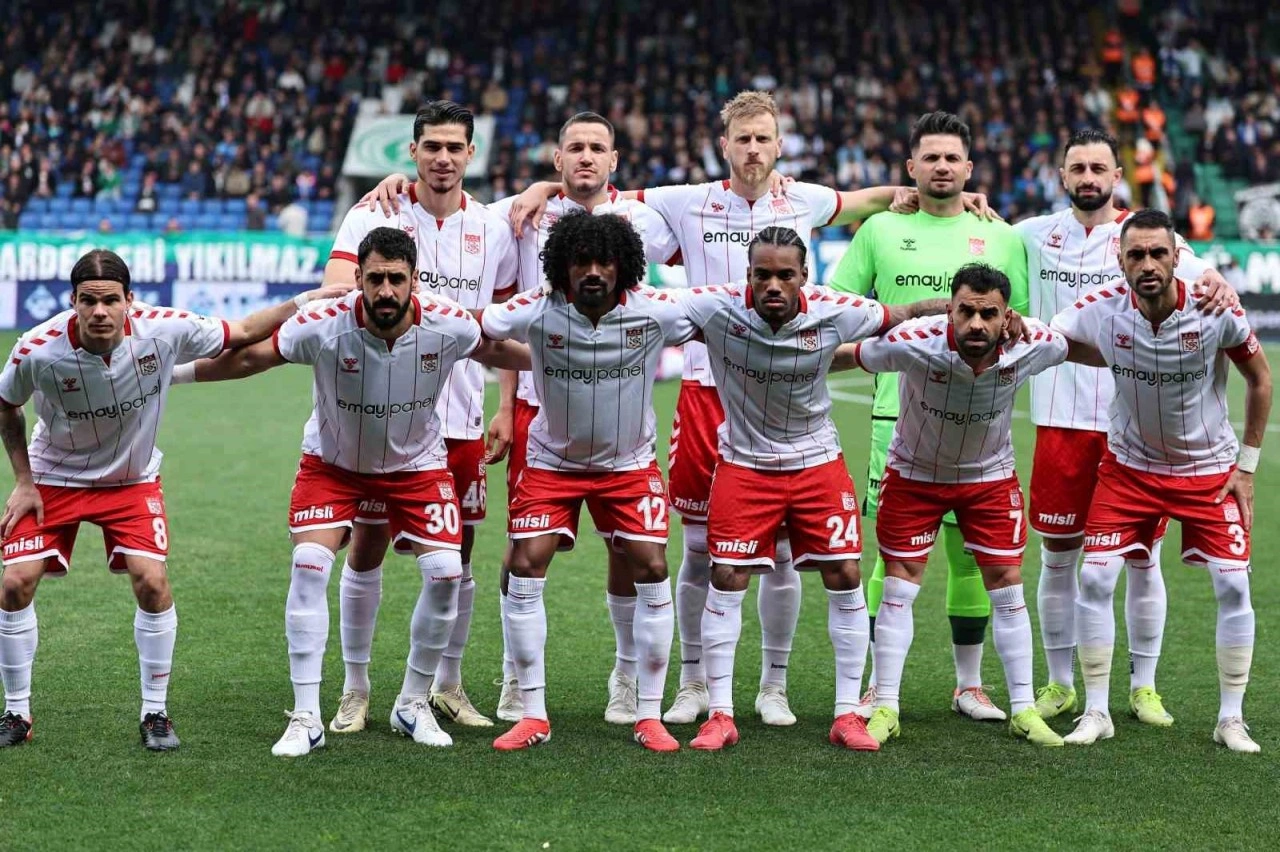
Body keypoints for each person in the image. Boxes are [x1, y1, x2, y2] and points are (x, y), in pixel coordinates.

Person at [510, 92, 991, 728]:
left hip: (778, 395)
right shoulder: (685, 200)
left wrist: (947, 198)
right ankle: (692, 683)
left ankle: (773, 685)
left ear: (779, 145)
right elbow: (599, 195)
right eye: (743, 139)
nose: (754, 149)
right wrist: (544, 186)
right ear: (725, 145)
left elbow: (866, 201)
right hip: (707, 392)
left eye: (764, 138)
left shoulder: (804, 199)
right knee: (700, 547)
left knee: (784, 553)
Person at [356, 110, 680, 728]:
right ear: (557, 159)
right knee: (522, 549)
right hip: (538, 402)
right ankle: (515, 675)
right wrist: (506, 404)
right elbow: (501, 302)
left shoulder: (642, 219)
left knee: (629, 548)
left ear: (614, 160)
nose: (586, 157)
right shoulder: (521, 213)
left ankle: (626, 675)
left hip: (617, 407)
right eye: (574, 148)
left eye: (598, 148)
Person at [182, 227, 529, 756]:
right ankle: (306, 717)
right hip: (334, 465)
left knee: (446, 572)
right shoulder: (322, 325)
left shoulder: (449, 323)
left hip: (416, 466)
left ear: (414, 279)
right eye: (375, 279)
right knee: (309, 564)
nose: (385, 290)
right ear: (359, 279)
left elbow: (501, 349)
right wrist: (173, 376)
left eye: (396, 279)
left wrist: (576, 357)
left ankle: (411, 703)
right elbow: (251, 357)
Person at [0, 249, 343, 751]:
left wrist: (306, 300)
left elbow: (243, 332)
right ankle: (16, 711)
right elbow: (7, 406)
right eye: (89, 301)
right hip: (53, 477)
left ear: (129, 300)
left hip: (130, 480)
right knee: (14, 583)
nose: (100, 311)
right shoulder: (36, 349)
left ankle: (155, 713)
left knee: (153, 582)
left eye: (110, 300)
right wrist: (24, 480)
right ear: (72, 301)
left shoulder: (163, 329)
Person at [670, 227, 948, 752]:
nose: (773, 285)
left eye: (785, 275)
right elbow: (645, 309)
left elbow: (905, 312)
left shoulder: (836, 310)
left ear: (804, 276)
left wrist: (965, 309)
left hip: (816, 462)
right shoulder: (715, 307)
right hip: (745, 464)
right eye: (762, 275)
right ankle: (721, 714)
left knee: (844, 574)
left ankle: (846, 715)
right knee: (725, 576)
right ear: (748, 275)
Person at [1014, 128, 1237, 723]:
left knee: (1143, 558)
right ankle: (1060, 683)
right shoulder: (1032, 234)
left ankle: (1143, 686)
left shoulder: (1147, 238)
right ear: (1062, 176)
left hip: (1136, 430)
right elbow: (974, 231)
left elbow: (1207, 278)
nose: (1088, 177)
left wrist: (1219, 279)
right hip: (1060, 418)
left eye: (1099, 168)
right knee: (1059, 558)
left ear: (1117, 176)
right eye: (1077, 168)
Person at [321, 102, 519, 733]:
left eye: (455, 147)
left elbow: (503, 323)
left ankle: (447, 684)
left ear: (471, 154)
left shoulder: (492, 227)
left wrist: (507, 405)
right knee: (368, 546)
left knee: (459, 553)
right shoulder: (375, 213)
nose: (443, 158)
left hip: (460, 418)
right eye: (431, 146)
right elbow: (336, 289)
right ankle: (355, 689)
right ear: (412, 151)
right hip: (383, 417)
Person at [830, 111, 1030, 723]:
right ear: (910, 167)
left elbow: (1021, 325)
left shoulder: (1001, 236)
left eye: (952, 158)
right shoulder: (880, 229)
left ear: (969, 168)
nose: (941, 167)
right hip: (896, 420)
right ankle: (876, 686)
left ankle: (969, 686)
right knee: (892, 557)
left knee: (972, 555)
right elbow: (841, 309)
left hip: (980, 425)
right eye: (931, 157)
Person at [1049, 210, 1271, 753]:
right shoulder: (1102, 307)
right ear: (1120, 260)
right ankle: (1097, 710)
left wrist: (1247, 466)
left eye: (1157, 253)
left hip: (1209, 471)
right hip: (1129, 469)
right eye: (1136, 255)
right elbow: (1055, 340)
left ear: (1176, 257)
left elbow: (1261, 379)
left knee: (1234, 587)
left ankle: (1231, 719)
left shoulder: (1215, 309)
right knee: (1095, 579)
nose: (1147, 264)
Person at [479, 211, 689, 753]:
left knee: (652, 565)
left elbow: (727, 314)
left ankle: (648, 713)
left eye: (604, 262)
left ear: (623, 267)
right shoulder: (537, 309)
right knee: (524, 564)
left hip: (628, 465)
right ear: (562, 267)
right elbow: (481, 329)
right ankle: (532, 712)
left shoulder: (654, 311)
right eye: (581, 262)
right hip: (552, 463)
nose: (593, 271)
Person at [848, 263, 1073, 747]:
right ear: (950, 309)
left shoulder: (1032, 342)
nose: (975, 323)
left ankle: (1023, 709)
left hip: (989, 479)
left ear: (1006, 316)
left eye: (988, 314)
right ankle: (886, 705)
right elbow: (854, 355)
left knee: (1007, 585)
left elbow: (1066, 343)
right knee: (899, 585)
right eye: (965, 311)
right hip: (914, 474)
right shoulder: (913, 340)